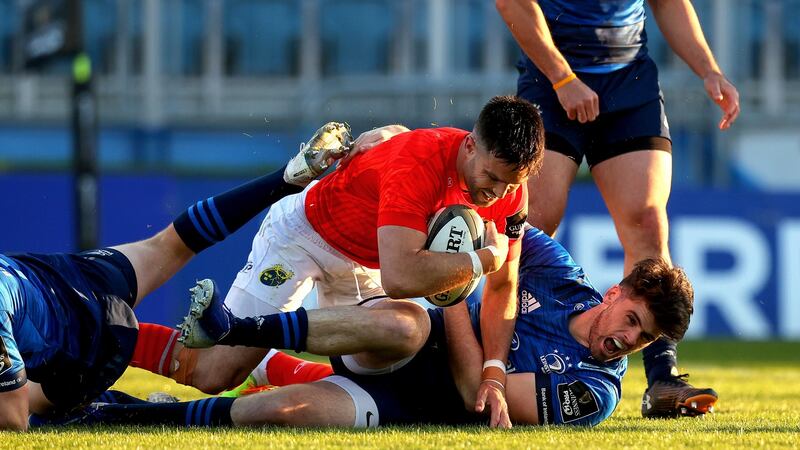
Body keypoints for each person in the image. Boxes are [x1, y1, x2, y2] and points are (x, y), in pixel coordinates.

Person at [128, 95, 544, 422]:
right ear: (470, 145)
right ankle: (107, 335)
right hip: (305, 237)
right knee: (213, 374)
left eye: (512, 183)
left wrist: (493, 372)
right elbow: (401, 277)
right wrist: (478, 262)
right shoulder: (419, 162)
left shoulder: (510, 197)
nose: (497, 193)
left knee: (373, 371)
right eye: (491, 177)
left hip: (366, 262)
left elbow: (504, 285)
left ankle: (267, 366)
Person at [65, 226, 694, 429]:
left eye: (641, 342)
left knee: (278, 414)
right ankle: (233, 329)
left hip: (409, 401)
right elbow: (491, 220)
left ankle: (111, 413)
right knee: (405, 326)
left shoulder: (596, 392)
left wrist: (454, 296)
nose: (625, 342)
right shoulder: (559, 273)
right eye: (632, 321)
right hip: (397, 328)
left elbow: (477, 389)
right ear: (617, 291)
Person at [0, 122, 353, 431]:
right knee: (170, 244)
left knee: (45, 411)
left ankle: (148, 412)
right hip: (70, 277)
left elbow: (13, 419)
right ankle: (286, 177)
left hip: (91, 343)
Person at [495, 0, 740, 417]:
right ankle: (500, 357)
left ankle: (662, 379)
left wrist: (709, 68)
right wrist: (562, 77)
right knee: (531, 223)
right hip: (551, 73)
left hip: (628, 77)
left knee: (647, 222)